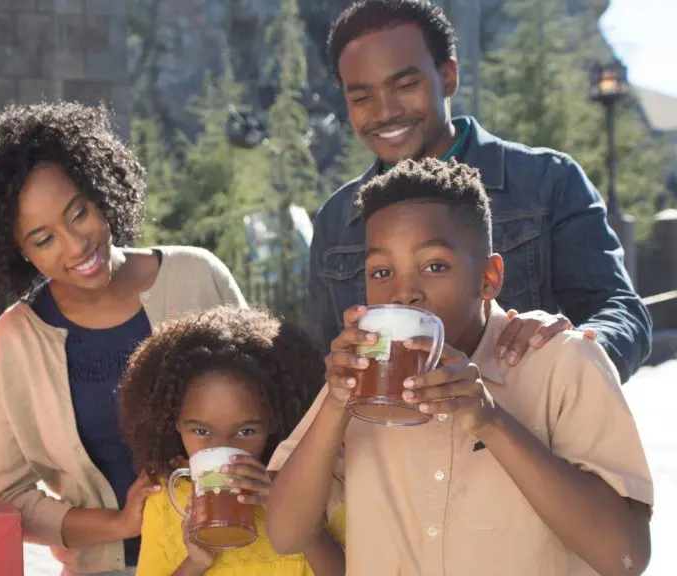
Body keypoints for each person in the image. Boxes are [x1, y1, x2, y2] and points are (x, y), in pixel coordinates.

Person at [266, 158, 653, 575]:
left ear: (489, 277)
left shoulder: (561, 364)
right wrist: (335, 406)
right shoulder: (359, 383)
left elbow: (624, 558)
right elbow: (286, 535)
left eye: (435, 266)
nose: (404, 293)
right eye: (381, 271)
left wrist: (490, 421)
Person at [0, 102, 247, 576]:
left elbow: (272, 408)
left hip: (238, 556)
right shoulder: (15, 343)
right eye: (43, 239)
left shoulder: (198, 275)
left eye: (78, 213)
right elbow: (6, 496)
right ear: (18, 252)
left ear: (98, 190)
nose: (76, 246)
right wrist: (117, 523)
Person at [307, 0, 651, 382]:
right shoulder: (336, 219)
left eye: (405, 85)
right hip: (392, 436)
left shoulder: (547, 181)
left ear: (448, 77)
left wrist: (575, 346)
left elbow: (622, 313)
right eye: (361, 97)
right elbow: (318, 361)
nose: (385, 111)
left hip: (525, 433)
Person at [118, 306, 344, 576]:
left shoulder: (315, 486)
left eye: (245, 432)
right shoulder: (166, 501)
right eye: (201, 432)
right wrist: (196, 562)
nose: (222, 449)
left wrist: (288, 506)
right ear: (174, 423)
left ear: (276, 424)